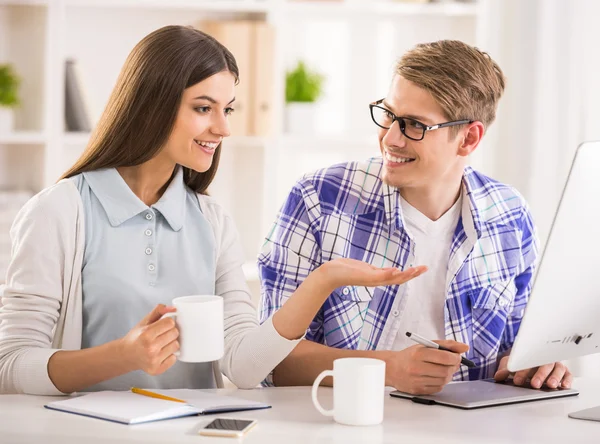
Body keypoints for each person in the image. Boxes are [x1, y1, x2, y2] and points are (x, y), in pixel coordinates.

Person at [0, 25, 427, 395]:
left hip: (193, 431)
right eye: (203, 108)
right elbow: (12, 366)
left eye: (228, 110)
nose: (222, 128)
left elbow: (243, 366)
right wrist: (122, 356)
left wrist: (323, 281)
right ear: (152, 104)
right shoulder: (59, 211)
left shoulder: (211, 220)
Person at [259, 40, 572, 395]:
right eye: (389, 115)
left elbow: (517, 354)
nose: (390, 138)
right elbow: (270, 362)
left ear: (468, 138)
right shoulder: (319, 198)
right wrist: (387, 370)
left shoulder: (509, 215)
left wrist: (537, 363)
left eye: (414, 125)